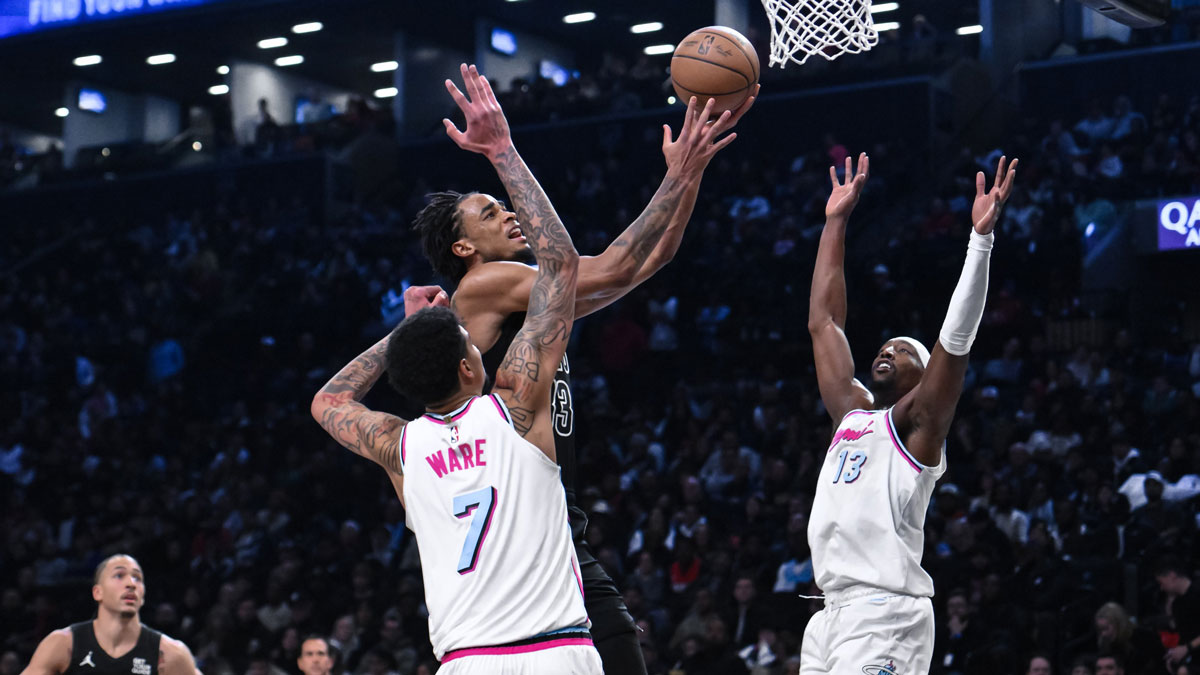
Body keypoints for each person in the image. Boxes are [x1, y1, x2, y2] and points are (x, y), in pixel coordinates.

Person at [412, 63, 756, 675]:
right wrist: (674, 177)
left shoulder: (526, 294)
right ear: (464, 250)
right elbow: (608, 268)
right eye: (489, 214)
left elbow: (646, 263)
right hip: (521, 537)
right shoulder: (486, 283)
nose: (506, 215)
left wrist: (690, 174)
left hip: (548, 524)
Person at [310, 95, 597, 673]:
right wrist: (503, 151)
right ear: (470, 366)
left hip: (464, 661)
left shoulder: (401, 448)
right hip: (552, 650)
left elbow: (330, 400)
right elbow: (561, 269)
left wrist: (411, 331)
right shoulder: (513, 409)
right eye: (468, 343)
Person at [801, 152, 1018, 674]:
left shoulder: (919, 426)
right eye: (885, 346)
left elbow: (957, 338)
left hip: (885, 611)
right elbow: (824, 322)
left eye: (903, 350)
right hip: (829, 614)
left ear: (925, 375)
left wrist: (979, 242)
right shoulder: (851, 416)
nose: (887, 351)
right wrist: (835, 222)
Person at [19, 555, 200, 675]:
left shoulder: (170, 653)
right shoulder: (64, 644)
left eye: (137, 578)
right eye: (119, 575)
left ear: (143, 595)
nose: (131, 583)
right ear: (98, 592)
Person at [1157, 558, 1200, 672]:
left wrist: (1187, 648)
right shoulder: (1177, 603)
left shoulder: (1197, 593)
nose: (1161, 588)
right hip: (1190, 656)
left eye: (1162, 583)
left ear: (1172, 576)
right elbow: (1183, 634)